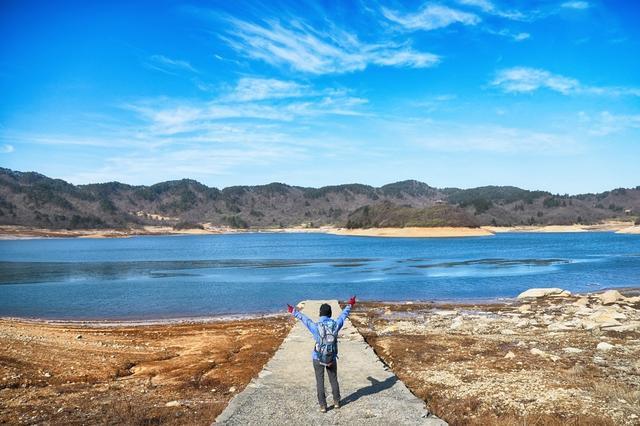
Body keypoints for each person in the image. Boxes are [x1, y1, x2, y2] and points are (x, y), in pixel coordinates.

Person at [287, 296, 356, 413]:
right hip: (331, 357)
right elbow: (343, 315)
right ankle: (336, 402)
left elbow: (305, 319)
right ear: (330, 314)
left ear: (320, 314)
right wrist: (350, 305)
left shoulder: (316, 326)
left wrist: (293, 311)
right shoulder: (335, 325)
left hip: (317, 357)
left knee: (320, 381)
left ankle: (323, 406)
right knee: (333, 379)